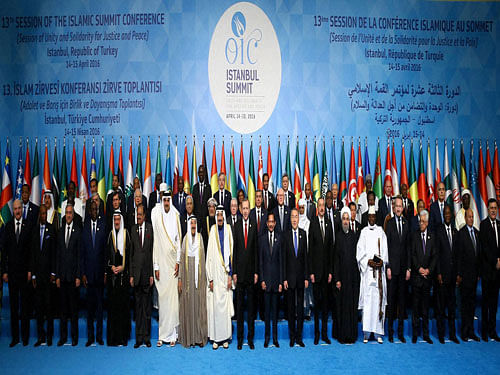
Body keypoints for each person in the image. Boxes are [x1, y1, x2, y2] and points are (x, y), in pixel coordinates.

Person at [2, 199, 33, 347]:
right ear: (13, 211)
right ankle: (15, 338)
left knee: (25, 306)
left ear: (22, 209)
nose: (18, 211)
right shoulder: (7, 227)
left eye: (20, 208)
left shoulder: (28, 226)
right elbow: (4, 252)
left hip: (24, 273)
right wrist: (4, 271)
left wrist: (30, 270)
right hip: (12, 274)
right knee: (14, 308)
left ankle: (25, 337)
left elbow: (31, 251)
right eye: (15, 209)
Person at [357, 206, 388, 344]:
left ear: (375, 217)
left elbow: (385, 251)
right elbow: (359, 253)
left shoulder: (381, 232)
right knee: (368, 303)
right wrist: (367, 261)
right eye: (369, 216)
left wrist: (381, 261)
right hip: (368, 274)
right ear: (367, 218)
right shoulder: (363, 232)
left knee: (378, 302)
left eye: (373, 216)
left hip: (379, 274)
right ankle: (366, 332)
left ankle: (377, 332)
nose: (371, 218)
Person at [153, 193, 181, 347]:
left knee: (173, 301)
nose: (166, 203)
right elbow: (156, 244)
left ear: (170, 201)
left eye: (168, 200)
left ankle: (173, 335)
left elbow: (178, 242)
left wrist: (178, 262)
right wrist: (156, 266)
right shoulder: (158, 220)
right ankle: (162, 335)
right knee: (163, 302)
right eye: (163, 200)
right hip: (161, 266)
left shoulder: (176, 217)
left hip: (173, 266)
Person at [206, 205, 234, 350]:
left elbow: (232, 254)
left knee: (225, 307)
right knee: (216, 307)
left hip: (225, 274)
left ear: (224, 215)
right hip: (215, 277)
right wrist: (210, 278)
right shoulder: (212, 231)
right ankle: (216, 338)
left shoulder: (229, 229)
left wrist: (230, 275)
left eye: (222, 215)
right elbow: (209, 256)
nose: (220, 218)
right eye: (218, 215)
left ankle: (225, 338)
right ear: (216, 216)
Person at [178, 215, 208, 348]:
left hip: (199, 277)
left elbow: (203, 259)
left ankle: (199, 337)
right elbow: (181, 258)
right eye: (192, 223)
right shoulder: (185, 239)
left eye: (195, 223)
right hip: (187, 278)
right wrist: (179, 279)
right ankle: (189, 338)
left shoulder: (200, 238)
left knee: (199, 307)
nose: (193, 225)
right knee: (189, 306)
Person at [233, 199, 258, 350]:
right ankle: (240, 339)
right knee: (240, 309)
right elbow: (235, 251)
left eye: (248, 208)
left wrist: (256, 272)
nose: (246, 210)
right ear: (241, 210)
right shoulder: (236, 226)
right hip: (240, 275)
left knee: (251, 309)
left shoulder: (254, 225)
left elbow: (255, 251)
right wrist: (234, 272)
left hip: (250, 275)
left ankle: (250, 339)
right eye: (244, 208)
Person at [81, 200, 107, 347]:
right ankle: (90, 337)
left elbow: (104, 254)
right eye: (91, 209)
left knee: (99, 308)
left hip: (99, 275)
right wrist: (83, 273)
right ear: (89, 211)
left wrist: (104, 272)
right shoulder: (84, 228)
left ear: (98, 211)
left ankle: (99, 337)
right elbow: (82, 254)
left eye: (96, 209)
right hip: (88, 276)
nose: (94, 211)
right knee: (89, 309)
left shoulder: (102, 227)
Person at [30, 205, 56, 347]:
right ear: (39, 215)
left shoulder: (51, 229)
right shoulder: (34, 231)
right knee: (39, 308)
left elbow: (53, 252)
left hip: (48, 275)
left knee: (48, 307)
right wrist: (33, 275)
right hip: (38, 276)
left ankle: (50, 336)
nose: (43, 216)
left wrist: (53, 272)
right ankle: (41, 336)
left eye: (45, 214)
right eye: (42, 214)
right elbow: (32, 254)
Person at [385, 196, 410, 343]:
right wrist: (387, 266)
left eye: (401, 206)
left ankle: (400, 333)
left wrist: (408, 268)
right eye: (397, 206)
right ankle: (390, 332)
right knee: (391, 301)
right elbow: (387, 247)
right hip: (392, 269)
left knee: (402, 302)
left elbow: (408, 247)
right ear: (393, 208)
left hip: (403, 270)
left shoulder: (406, 224)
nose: (399, 208)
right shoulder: (390, 224)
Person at [56, 203, 82, 346]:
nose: (68, 215)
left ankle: (74, 337)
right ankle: (63, 337)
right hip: (63, 277)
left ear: (73, 214)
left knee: (73, 309)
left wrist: (78, 275)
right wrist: (58, 276)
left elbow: (79, 256)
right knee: (63, 310)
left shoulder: (78, 231)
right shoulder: (60, 231)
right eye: (66, 213)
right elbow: (58, 255)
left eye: (70, 213)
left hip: (73, 277)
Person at [308, 197, 333, 345]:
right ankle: (317, 334)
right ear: (317, 208)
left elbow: (331, 249)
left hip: (326, 273)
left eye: (324, 205)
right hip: (316, 273)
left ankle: (324, 334)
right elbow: (310, 250)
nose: (322, 208)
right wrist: (311, 271)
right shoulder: (313, 224)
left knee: (325, 305)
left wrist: (330, 271)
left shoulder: (329, 224)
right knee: (317, 305)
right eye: (320, 205)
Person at [334, 207, 360, 344]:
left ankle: (351, 335)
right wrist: (337, 279)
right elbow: (336, 259)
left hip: (352, 278)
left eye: (347, 219)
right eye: (343, 219)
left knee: (351, 307)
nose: (345, 222)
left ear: (350, 221)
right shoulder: (338, 236)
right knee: (342, 307)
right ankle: (342, 336)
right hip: (342, 279)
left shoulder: (354, 236)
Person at [130, 204, 154, 348]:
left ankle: (146, 337)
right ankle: (139, 338)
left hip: (147, 275)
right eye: (136, 214)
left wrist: (151, 273)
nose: (138, 216)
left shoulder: (150, 228)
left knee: (146, 309)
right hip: (136, 275)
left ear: (144, 216)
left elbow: (151, 253)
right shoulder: (133, 230)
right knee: (138, 308)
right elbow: (131, 254)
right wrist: (132, 275)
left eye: (140, 214)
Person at [410, 210, 436, 344]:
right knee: (416, 307)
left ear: (427, 222)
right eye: (420, 221)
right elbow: (412, 254)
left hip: (427, 278)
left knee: (425, 308)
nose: (421, 223)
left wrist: (428, 270)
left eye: (423, 221)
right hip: (416, 277)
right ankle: (415, 334)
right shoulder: (414, 236)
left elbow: (434, 256)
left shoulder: (432, 236)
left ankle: (426, 334)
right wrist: (419, 268)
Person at [283, 209, 308, 347]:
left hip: (300, 279)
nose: (294, 219)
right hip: (290, 279)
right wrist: (285, 278)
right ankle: (292, 337)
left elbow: (305, 257)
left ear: (299, 219)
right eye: (292, 217)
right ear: (290, 219)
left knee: (300, 310)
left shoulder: (303, 234)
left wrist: (305, 277)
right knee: (291, 309)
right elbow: (284, 259)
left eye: (296, 217)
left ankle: (299, 337)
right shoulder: (286, 235)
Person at [106, 211, 131, 346]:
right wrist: (111, 267)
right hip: (112, 279)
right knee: (113, 309)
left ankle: (123, 338)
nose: (116, 222)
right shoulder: (110, 235)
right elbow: (106, 256)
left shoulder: (126, 234)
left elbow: (130, 254)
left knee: (123, 308)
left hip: (123, 278)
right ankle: (113, 339)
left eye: (118, 220)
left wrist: (123, 267)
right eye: (115, 220)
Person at [435, 204, 460, 344]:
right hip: (442, 276)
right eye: (445, 213)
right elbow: (437, 254)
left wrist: (458, 274)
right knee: (440, 306)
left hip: (453, 275)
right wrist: (438, 272)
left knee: (451, 306)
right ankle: (441, 334)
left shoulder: (455, 232)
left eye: (449, 213)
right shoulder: (439, 231)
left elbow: (457, 255)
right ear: (443, 215)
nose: (447, 215)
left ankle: (452, 334)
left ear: (452, 215)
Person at [456, 209, 481, 342]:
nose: (471, 219)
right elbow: (459, 256)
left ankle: (471, 331)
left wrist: (478, 273)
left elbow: (479, 255)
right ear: (465, 218)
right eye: (469, 217)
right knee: (464, 305)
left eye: (472, 217)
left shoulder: (477, 233)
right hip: (464, 277)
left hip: (474, 276)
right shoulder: (461, 234)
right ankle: (464, 332)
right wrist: (459, 274)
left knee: (472, 305)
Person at [259, 211, 283, 348]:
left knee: (275, 313)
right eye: (269, 222)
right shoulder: (262, 239)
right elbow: (261, 262)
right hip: (266, 282)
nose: (271, 224)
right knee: (267, 313)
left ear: (275, 223)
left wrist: (280, 281)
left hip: (276, 282)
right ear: (267, 223)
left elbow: (281, 262)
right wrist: (262, 280)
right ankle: (267, 337)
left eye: (273, 222)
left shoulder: (279, 238)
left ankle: (275, 338)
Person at [479, 199, 500, 342]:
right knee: (486, 303)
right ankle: (485, 331)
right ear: (487, 209)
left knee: (494, 303)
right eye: (491, 208)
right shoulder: (484, 225)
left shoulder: (499, 224)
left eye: (495, 208)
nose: (493, 210)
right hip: (488, 270)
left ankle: (493, 331)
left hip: (498, 272)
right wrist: (495, 261)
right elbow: (485, 248)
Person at [298, 199, 313, 320]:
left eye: (303, 207)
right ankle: (298, 310)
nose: (301, 210)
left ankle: (307, 310)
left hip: (306, 257)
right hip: (297, 258)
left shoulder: (308, 223)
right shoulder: (295, 223)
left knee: (306, 286)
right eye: (300, 208)